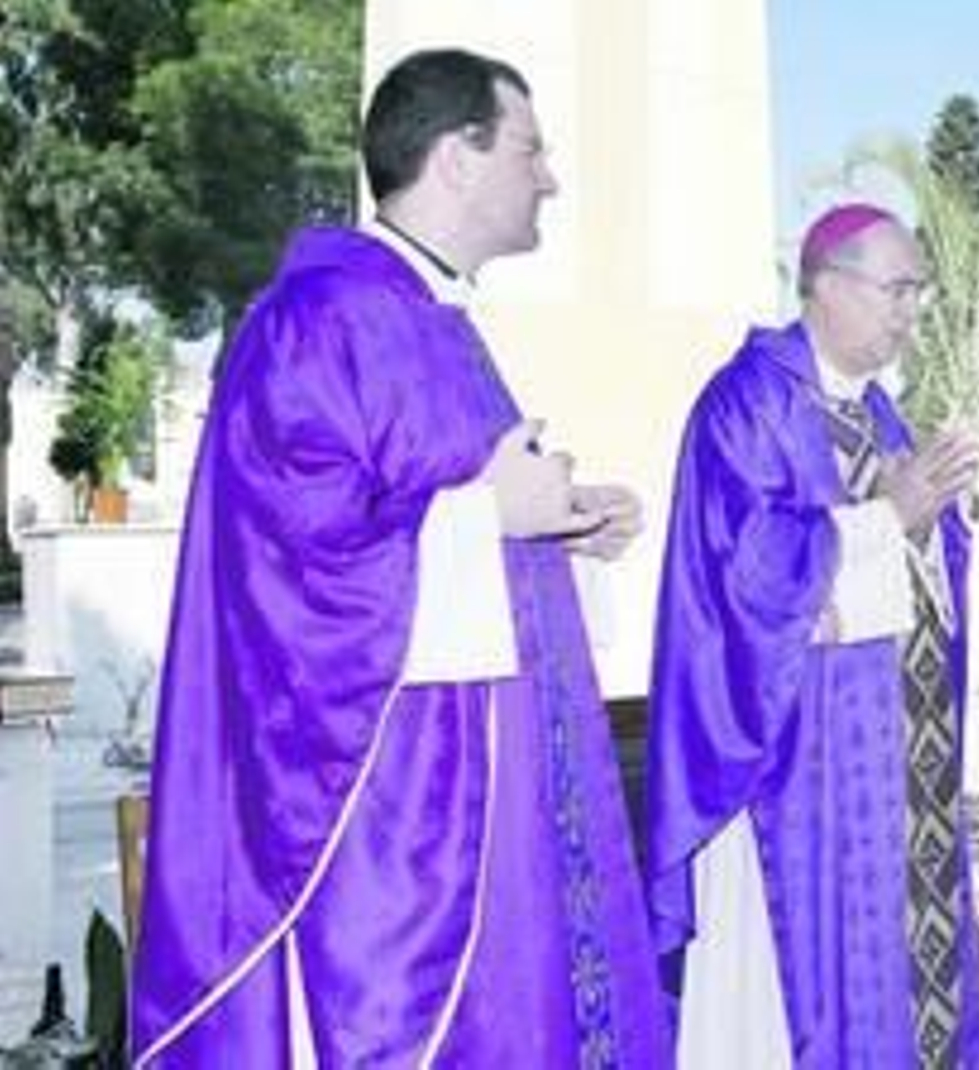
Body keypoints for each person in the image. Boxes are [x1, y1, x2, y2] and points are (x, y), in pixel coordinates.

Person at [132, 49, 668, 1067]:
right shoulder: (318, 318)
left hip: (492, 815)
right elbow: (289, 571)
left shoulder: (431, 322)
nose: (549, 175)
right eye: (529, 147)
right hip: (397, 847)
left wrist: (554, 523)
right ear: (456, 159)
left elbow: (440, 515)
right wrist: (483, 518)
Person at [645, 203, 979, 1068]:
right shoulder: (747, 403)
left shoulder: (882, 413)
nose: (912, 310)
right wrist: (890, 515)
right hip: (793, 771)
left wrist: (936, 520)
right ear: (826, 284)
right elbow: (751, 577)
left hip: (894, 762)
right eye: (897, 289)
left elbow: (918, 551)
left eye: (920, 290)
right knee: (789, 1004)